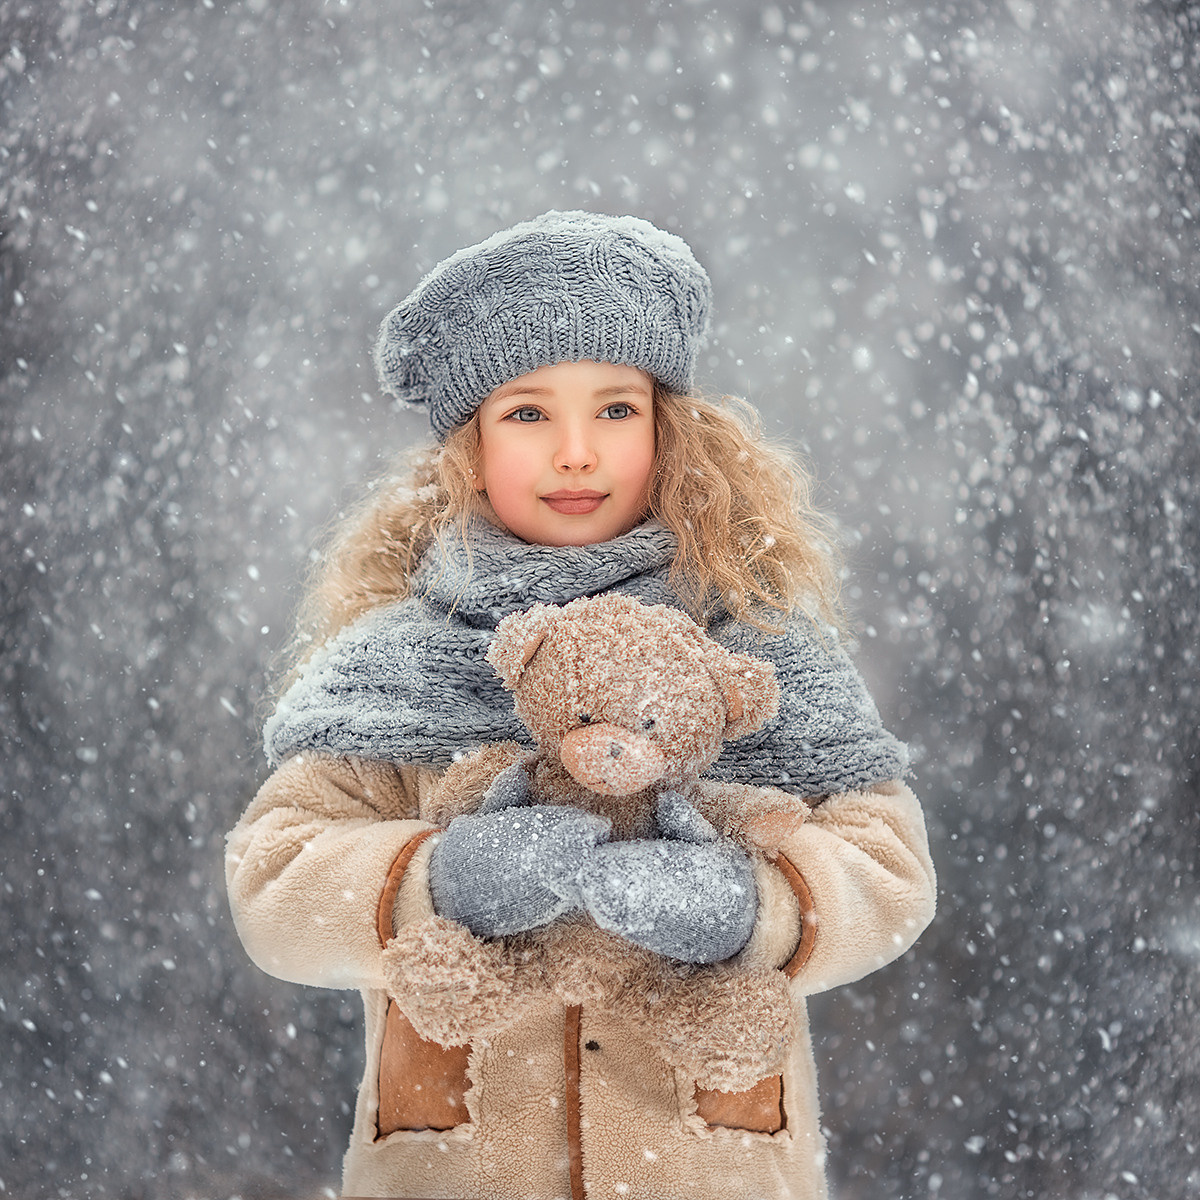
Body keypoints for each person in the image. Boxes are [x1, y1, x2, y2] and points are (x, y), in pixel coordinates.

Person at [225, 210, 936, 1200]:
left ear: (669, 428)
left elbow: (891, 866)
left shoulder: (758, 647)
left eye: (614, 410)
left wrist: (756, 910)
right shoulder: (392, 665)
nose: (575, 452)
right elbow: (272, 880)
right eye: (527, 414)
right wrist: (440, 881)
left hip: (711, 1172)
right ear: (467, 444)